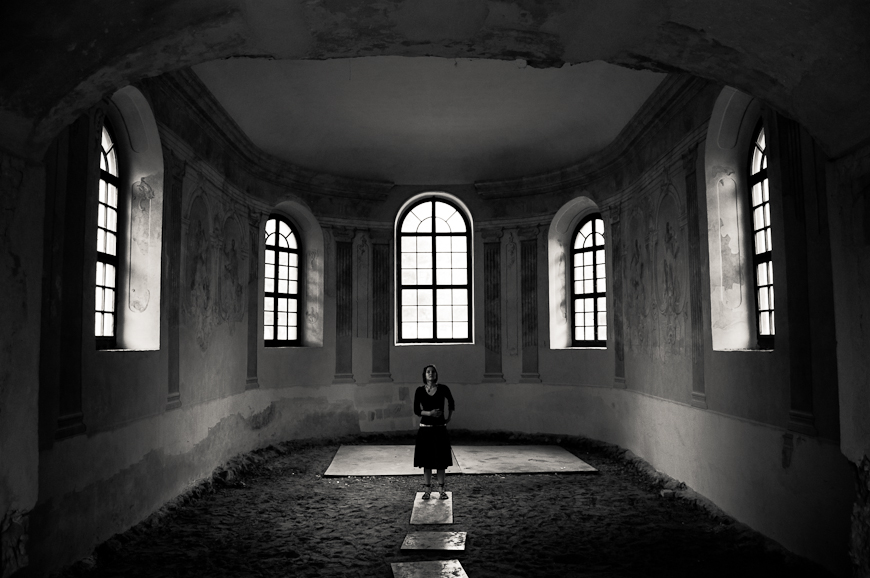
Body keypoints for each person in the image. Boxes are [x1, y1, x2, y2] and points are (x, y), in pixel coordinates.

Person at [413, 364, 455, 500]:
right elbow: (416, 410)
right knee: (427, 461)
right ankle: (427, 491)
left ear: (436, 374)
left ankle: (442, 490)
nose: (431, 374)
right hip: (425, 429)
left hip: (440, 429)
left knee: (441, 461)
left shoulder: (443, 389)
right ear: (424, 375)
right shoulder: (419, 390)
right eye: (428, 372)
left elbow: (451, 403)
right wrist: (430, 413)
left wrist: (448, 418)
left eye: (433, 372)